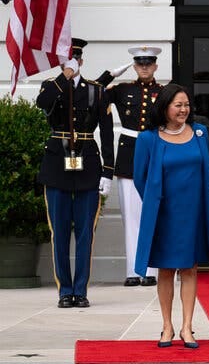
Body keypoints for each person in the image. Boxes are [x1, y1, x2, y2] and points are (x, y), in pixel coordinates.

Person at [133, 84, 209, 349]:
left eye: (186, 105)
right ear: (165, 107)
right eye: (178, 105)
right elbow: (139, 178)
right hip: (164, 214)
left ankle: (188, 327)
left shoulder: (200, 134)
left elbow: (208, 172)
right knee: (166, 270)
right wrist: (156, 202)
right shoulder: (148, 138)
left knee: (190, 269)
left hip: (193, 213)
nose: (184, 109)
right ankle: (167, 326)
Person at [36, 38, 114, 308]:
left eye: (74, 59)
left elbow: (106, 132)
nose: (71, 63)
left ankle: (80, 290)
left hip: (87, 164)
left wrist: (108, 172)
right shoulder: (52, 86)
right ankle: (64, 291)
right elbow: (41, 102)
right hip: (58, 165)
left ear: (81, 60)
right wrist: (63, 76)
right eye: (66, 60)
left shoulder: (96, 91)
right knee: (59, 231)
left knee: (85, 232)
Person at [104, 46, 163, 287]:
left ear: (155, 66)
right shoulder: (122, 90)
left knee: (155, 215)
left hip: (156, 153)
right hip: (129, 154)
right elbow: (92, 94)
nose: (145, 67)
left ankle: (152, 271)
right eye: (140, 63)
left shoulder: (166, 92)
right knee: (131, 216)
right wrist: (110, 76)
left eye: (149, 63)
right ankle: (133, 270)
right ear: (135, 66)